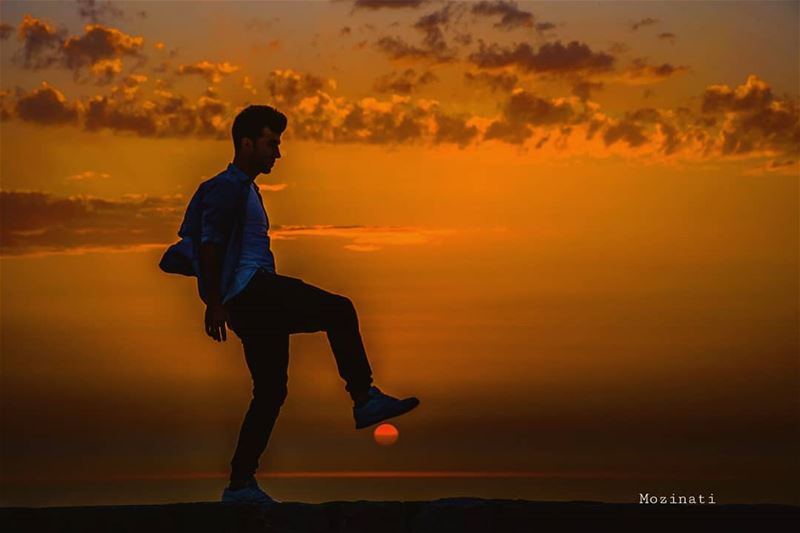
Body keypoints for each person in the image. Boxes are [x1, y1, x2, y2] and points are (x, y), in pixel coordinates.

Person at [164, 105, 419, 506]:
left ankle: (239, 484)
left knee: (270, 392)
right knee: (339, 310)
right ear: (246, 143)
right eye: (271, 143)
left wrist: (220, 301)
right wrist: (213, 302)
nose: (277, 153)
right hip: (254, 292)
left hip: (250, 300)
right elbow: (210, 246)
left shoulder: (247, 189)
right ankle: (363, 397)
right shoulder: (227, 187)